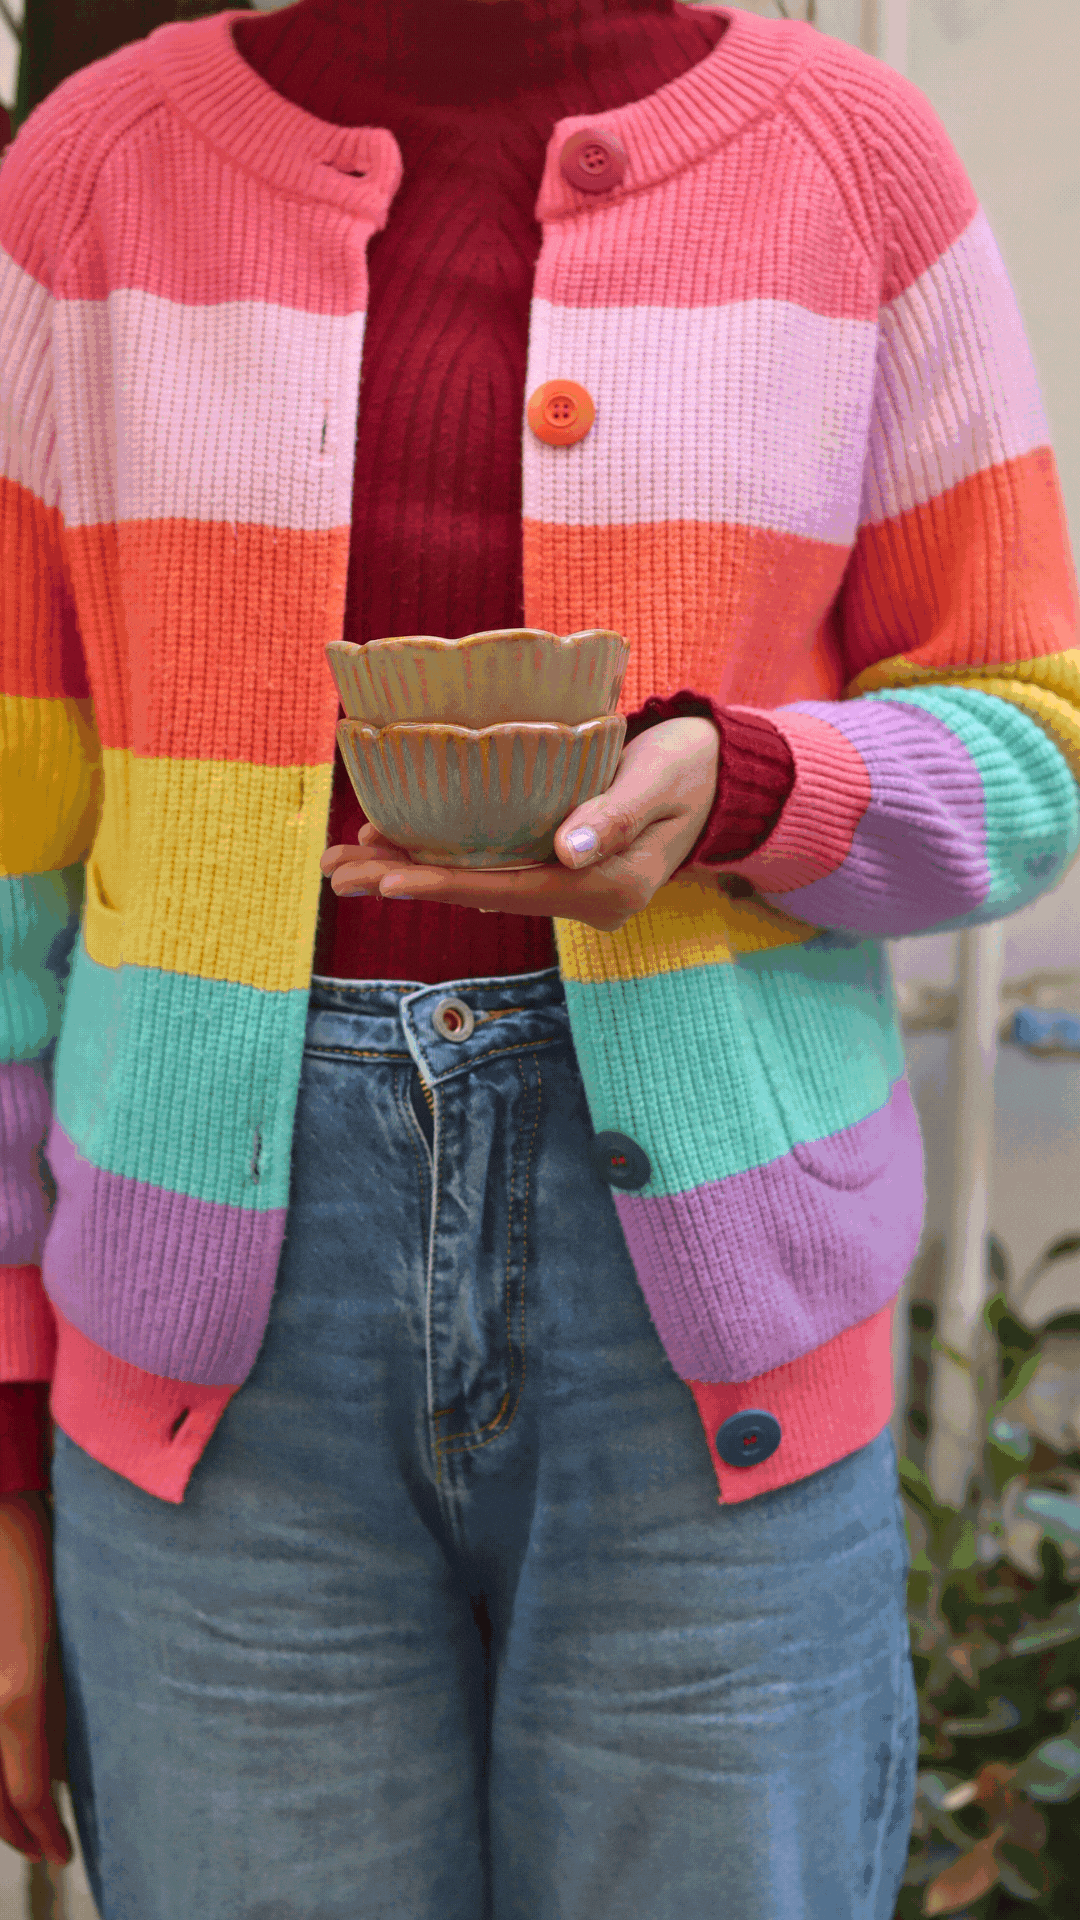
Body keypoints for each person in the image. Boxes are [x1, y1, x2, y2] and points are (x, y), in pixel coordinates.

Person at [1, 0, 1077, 1913]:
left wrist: (744, 786)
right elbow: (3, 890)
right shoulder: (84, 185)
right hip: (207, 1368)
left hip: (706, 1350)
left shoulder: (853, 164)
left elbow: (1032, 748)